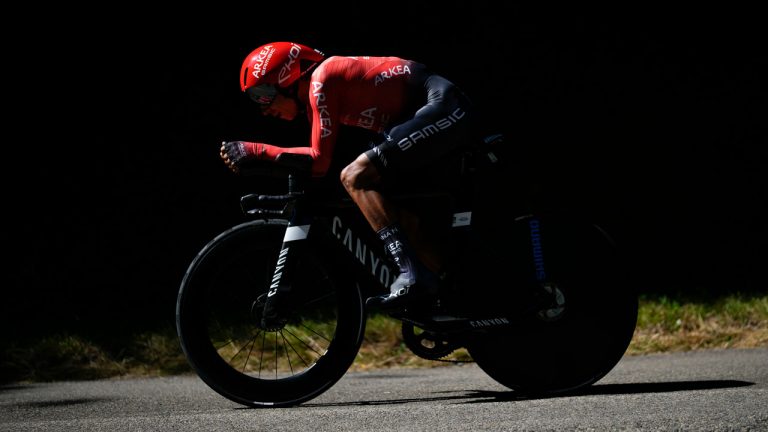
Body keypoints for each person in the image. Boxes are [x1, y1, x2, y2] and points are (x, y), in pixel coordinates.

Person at [220, 41, 476, 312]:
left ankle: (412, 274)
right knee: (397, 212)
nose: (262, 107)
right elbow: (317, 163)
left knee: (355, 177)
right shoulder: (319, 92)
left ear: (287, 77)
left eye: (262, 93)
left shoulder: (323, 79)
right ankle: (452, 294)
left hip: (443, 104)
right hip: (427, 111)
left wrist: (257, 150)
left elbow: (319, 161)